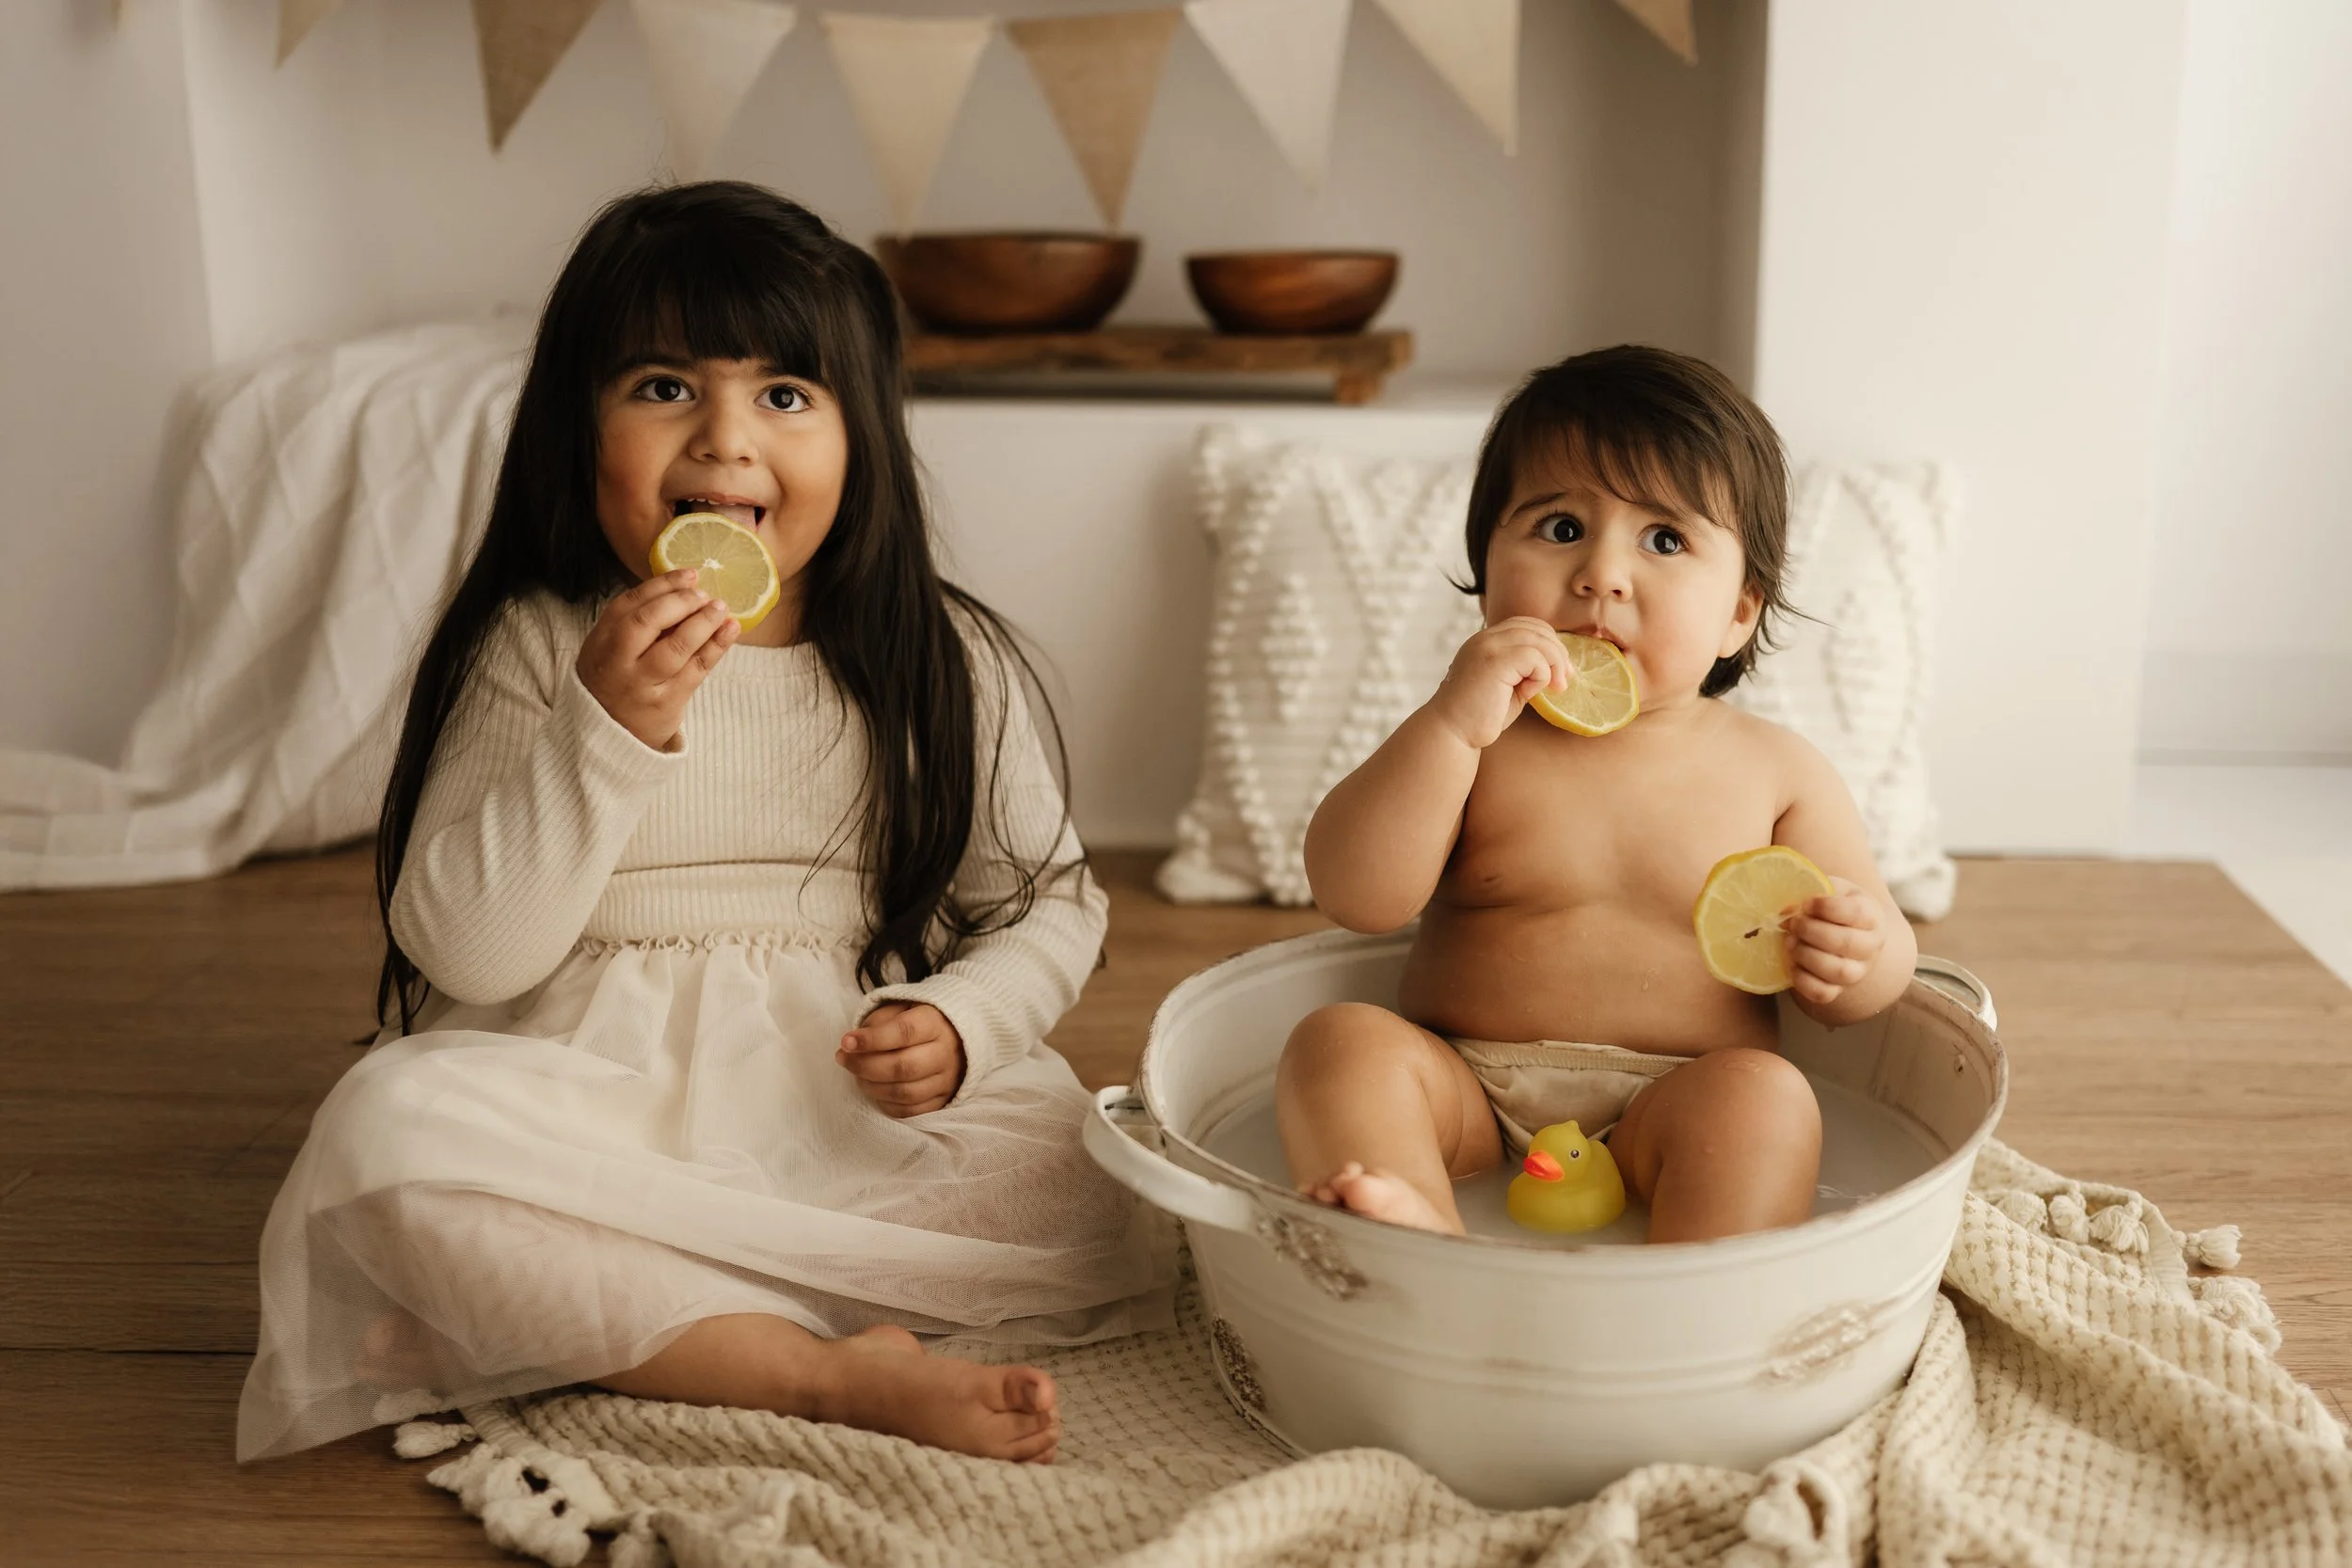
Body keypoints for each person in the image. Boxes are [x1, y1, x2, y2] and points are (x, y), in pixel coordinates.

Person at [237, 182, 1171, 1466]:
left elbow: (1052, 902)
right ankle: (812, 1372)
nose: (727, 443)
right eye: (666, 386)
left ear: (866, 440)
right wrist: (605, 728)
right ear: (579, 424)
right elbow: (469, 952)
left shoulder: (935, 656)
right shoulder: (539, 642)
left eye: (785, 395)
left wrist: (967, 1021)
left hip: (840, 1090)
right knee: (387, 1138)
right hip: (589, 1086)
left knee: (1094, 1167)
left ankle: (571, 1317)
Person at [1278, 345, 1919, 1243]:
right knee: (1338, 1042)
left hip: (1679, 1098)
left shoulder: (1777, 770)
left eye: (1664, 540)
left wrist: (1859, 951)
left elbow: (1874, 979)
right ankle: (1415, 1236)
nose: (1602, 575)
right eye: (1559, 528)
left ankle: (1700, 1283)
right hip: (1465, 1084)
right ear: (1487, 573)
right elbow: (1357, 897)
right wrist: (1449, 728)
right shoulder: (1473, 742)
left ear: (1741, 609)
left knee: (1766, 1099)